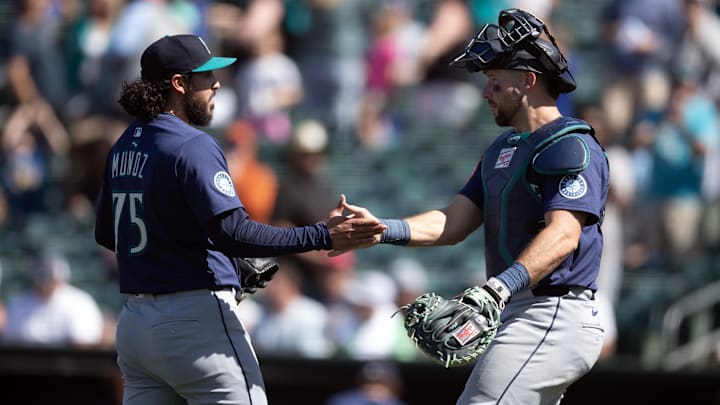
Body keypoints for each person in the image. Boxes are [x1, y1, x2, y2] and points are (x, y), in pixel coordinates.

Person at [332, 8, 609, 404]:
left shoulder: (571, 143)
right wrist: (382, 229)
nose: (485, 92)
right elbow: (453, 221)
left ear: (528, 82)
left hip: (552, 314)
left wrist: (498, 289)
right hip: (522, 313)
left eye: (495, 82)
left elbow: (564, 234)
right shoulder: (503, 148)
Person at [93, 34, 385, 405]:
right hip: (194, 320)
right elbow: (233, 232)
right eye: (205, 76)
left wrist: (177, 253)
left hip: (136, 326)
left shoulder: (123, 145)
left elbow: (107, 233)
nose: (216, 83)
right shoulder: (191, 144)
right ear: (179, 84)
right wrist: (322, 235)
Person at [2, 253, 106, 347]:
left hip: (68, 365)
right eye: (41, 274)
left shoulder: (80, 302)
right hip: (27, 363)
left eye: (48, 274)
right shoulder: (20, 303)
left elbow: (84, 343)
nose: (44, 280)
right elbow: (11, 340)